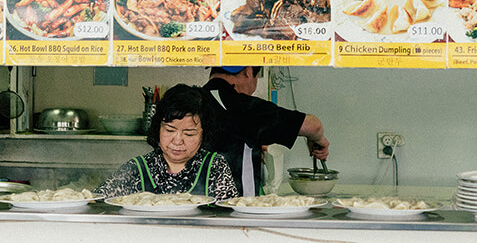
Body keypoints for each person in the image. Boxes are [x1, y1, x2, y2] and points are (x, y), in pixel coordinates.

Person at [95, 84, 238, 201]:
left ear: (204, 134)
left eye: (189, 133)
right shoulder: (138, 168)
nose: (177, 140)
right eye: (170, 130)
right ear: (158, 128)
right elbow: (96, 201)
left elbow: (228, 214)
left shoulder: (214, 166)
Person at [204, 66, 330, 196]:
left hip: (195, 200)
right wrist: (319, 139)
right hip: (234, 203)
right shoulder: (241, 105)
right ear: (248, 72)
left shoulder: (194, 99)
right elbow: (313, 126)